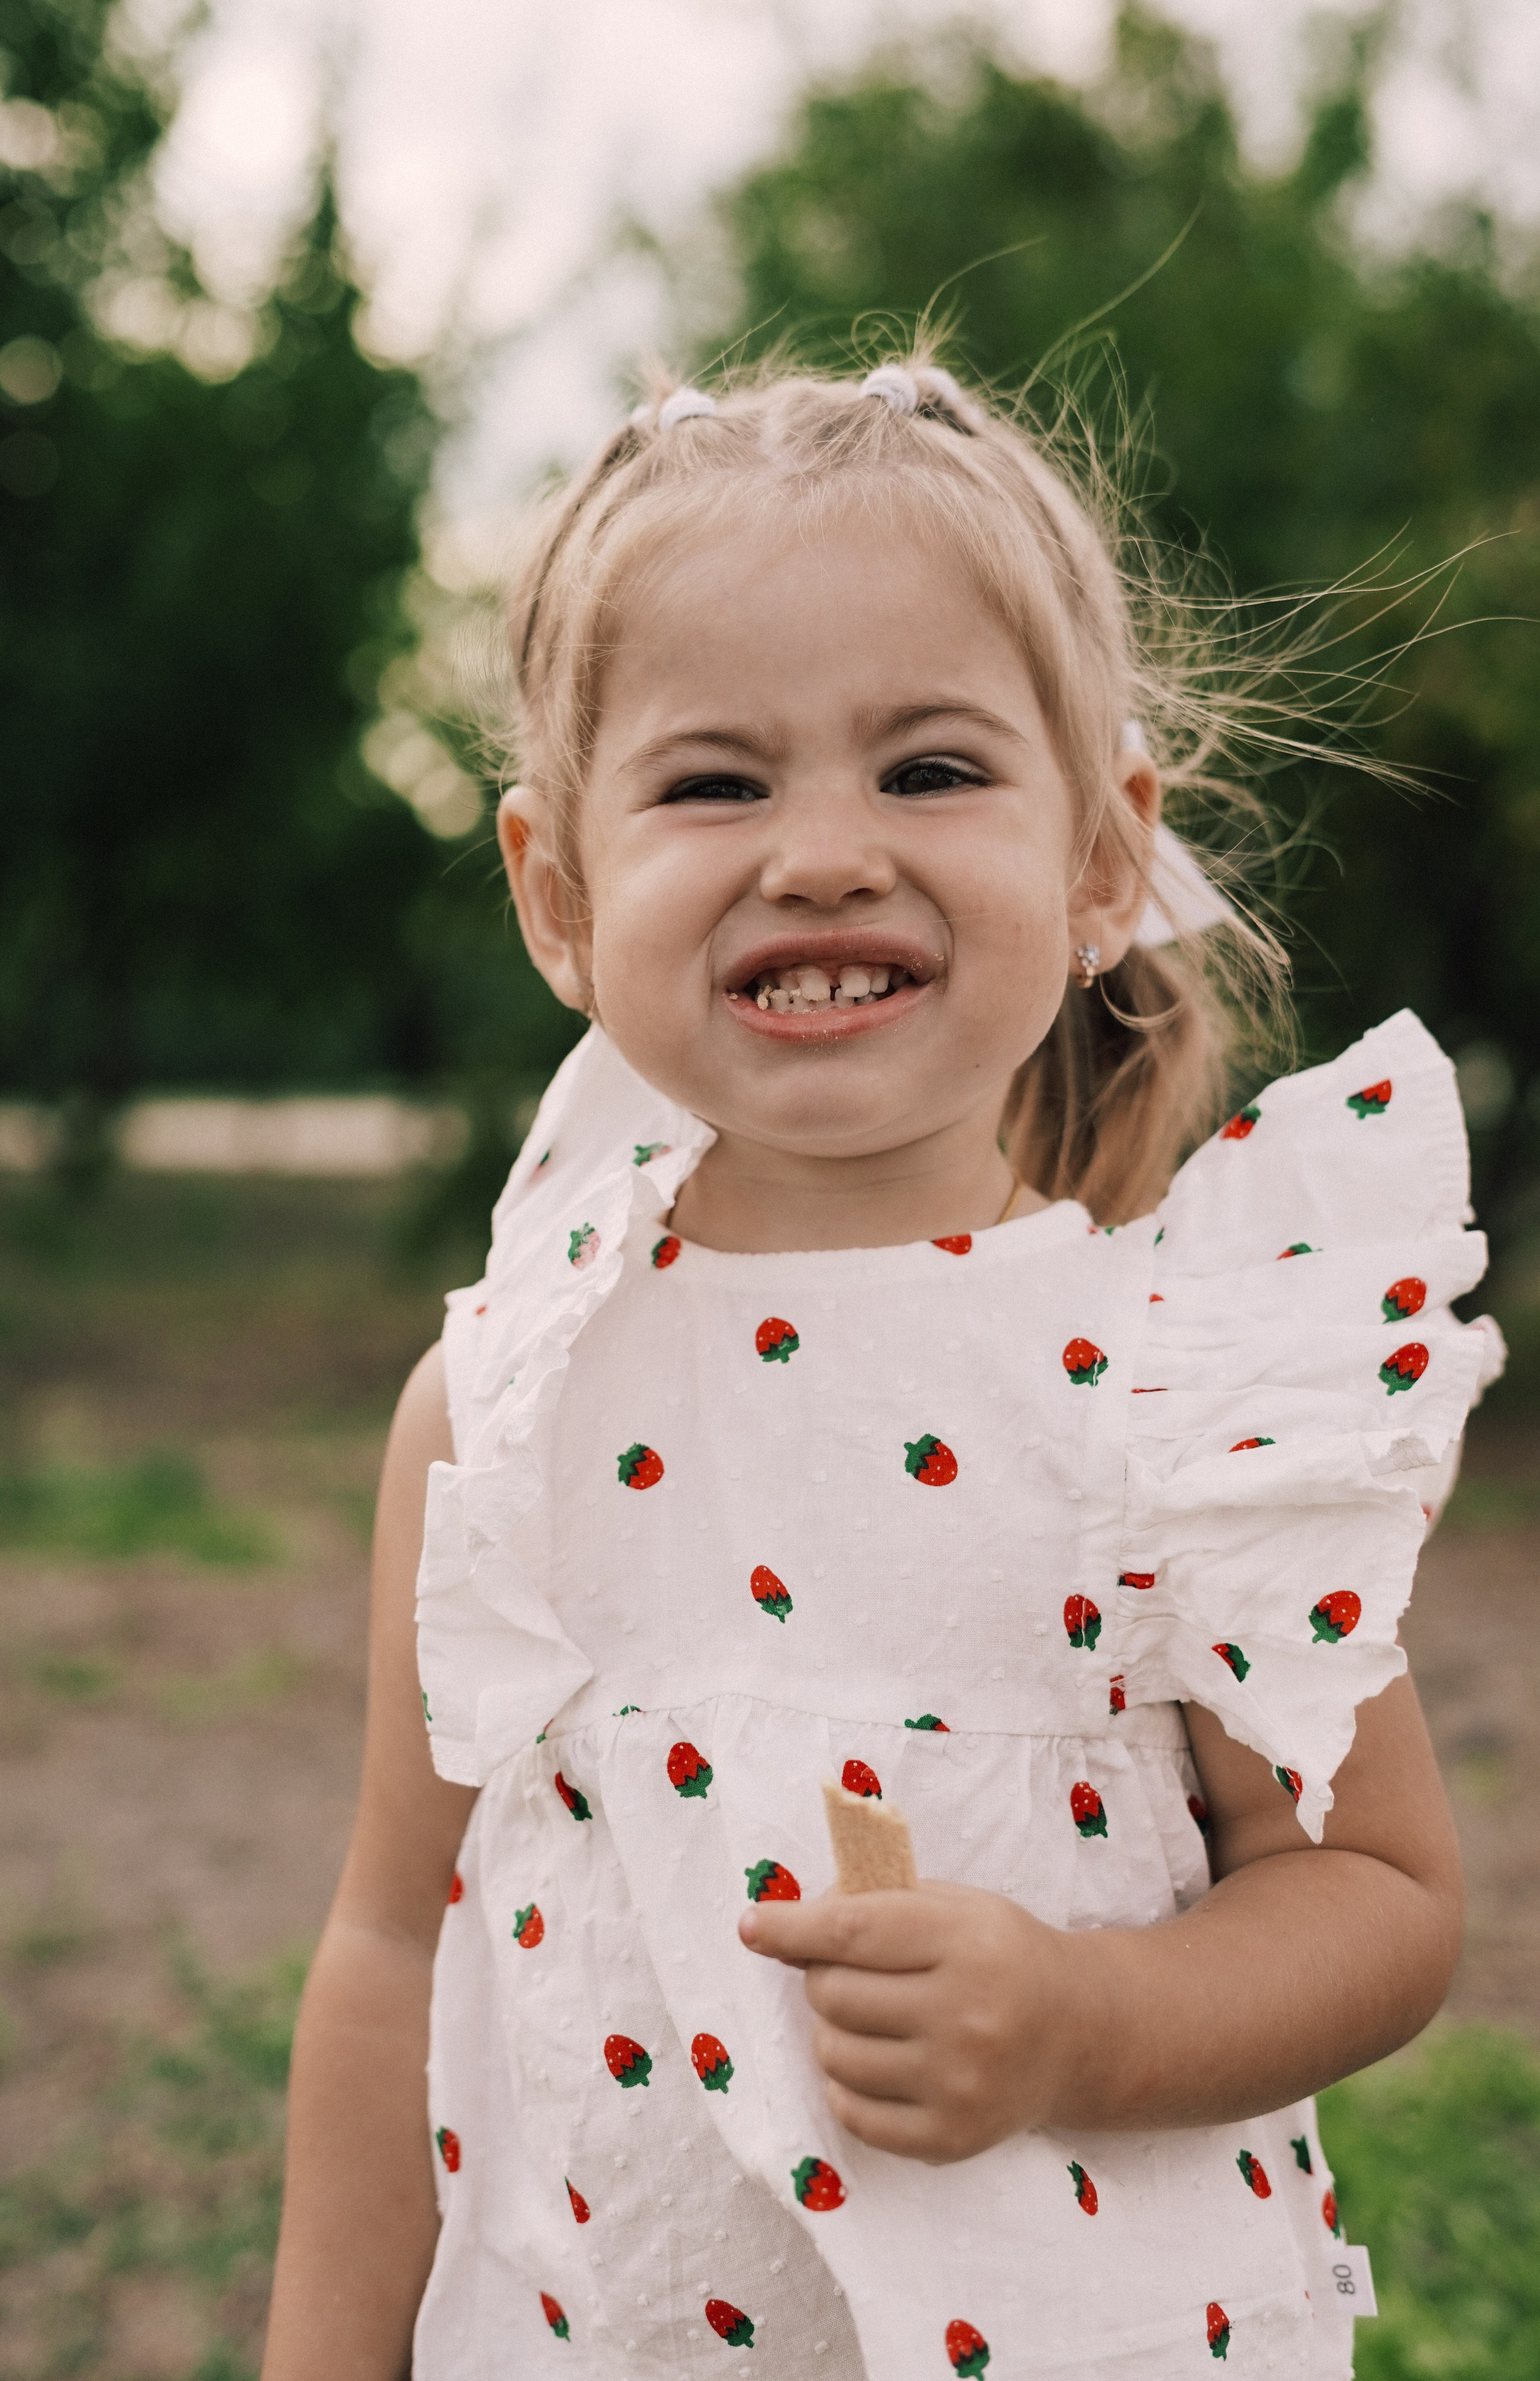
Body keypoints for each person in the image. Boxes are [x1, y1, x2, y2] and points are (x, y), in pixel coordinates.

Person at [260, 357, 1502, 2381]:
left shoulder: (1185, 1390)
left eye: (928, 772)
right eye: (715, 781)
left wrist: (1089, 2022)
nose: (824, 852)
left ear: (1104, 861)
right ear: (558, 895)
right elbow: (396, 1941)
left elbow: (1371, 1892)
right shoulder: (499, 1407)